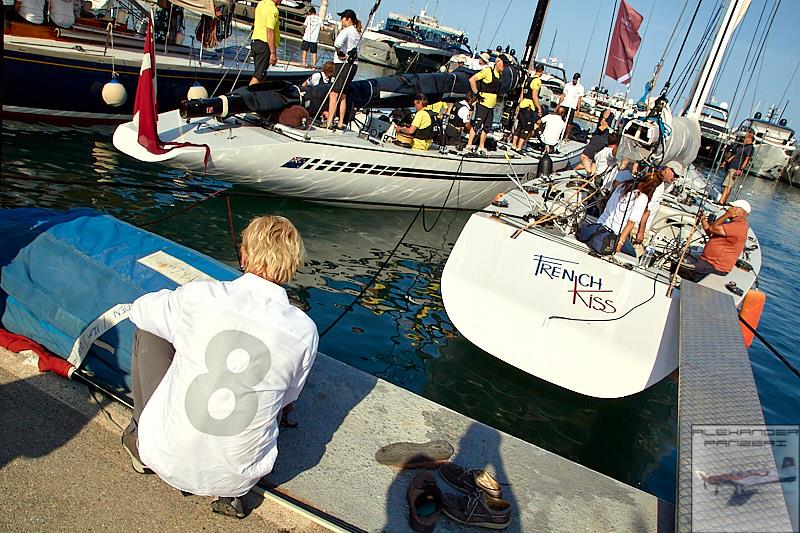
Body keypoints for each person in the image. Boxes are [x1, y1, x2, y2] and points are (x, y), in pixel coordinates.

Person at [121, 215, 318, 518]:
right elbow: (289, 396)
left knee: (150, 330)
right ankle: (231, 495)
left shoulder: (201, 296)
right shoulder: (304, 331)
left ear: (244, 255)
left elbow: (140, 311)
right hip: (240, 476)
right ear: (293, 266)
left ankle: (140, 441)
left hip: (165, 456)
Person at [579, 173, 660, 256]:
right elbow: (631, 223)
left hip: (600, 225)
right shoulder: (642, 198)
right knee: (632, 255)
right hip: (613, 234)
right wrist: (620, 243)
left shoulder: (622, 187)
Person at [688, 200, 751, 281]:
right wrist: (703, 219)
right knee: (684, 256)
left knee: (682, 266)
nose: (729, 209)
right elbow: (711, 233)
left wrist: (727, 215)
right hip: (707, 262)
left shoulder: (738, 227)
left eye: (733, 208)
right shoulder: (733, 224)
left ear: (741, 212)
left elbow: (713, 228)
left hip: (714, 266)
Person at [465, 54, 506, 155]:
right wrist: (476, 92)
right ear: (498, 62)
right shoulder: (488, 71)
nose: (504, 66)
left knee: (487, 126)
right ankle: (469, 144)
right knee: (477, 125)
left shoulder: (499, 74)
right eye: (503, 63)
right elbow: (472, 79)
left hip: (491, 105)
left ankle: (481, 146)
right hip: (483, 103)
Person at [633, 160, 682, 245]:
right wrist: (641, 232)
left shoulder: (655, 180)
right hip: (637, 228)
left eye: (678, 176)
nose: (675, 178)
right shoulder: (658, 186)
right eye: (675, 174)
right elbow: (646, 210)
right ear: (666, 169)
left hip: (636, 224)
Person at [326, 9, 360, 129]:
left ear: (348, 19)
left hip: (343, 65)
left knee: (333, 94)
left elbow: (337, 43)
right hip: (353, 66)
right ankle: (340, 123)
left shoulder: (347, 30)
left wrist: (339, 53)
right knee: (343, 95)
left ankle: (329, 122)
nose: (341, 20)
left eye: (342, 18)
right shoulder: (357, 32)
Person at [511, 63, 544, 150]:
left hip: (523, 104)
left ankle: (513, 145)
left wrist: (519, 104)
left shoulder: (528, 79)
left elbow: (522, 92)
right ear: (542, 72)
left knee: (519, 126)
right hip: (529, 106)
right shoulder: (537, 81)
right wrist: (539, 108)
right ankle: (519, 147)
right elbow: (534, 96)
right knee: (527, 127)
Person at [249, 0, 281, 86]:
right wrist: (273, 53)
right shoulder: (273, 9)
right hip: (264, 44)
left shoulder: (261, 4)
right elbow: (270, 31)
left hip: (255, 41)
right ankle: (248, 96)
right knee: (259, 76)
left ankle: (256, 95)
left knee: (261, 74)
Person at [720, 132, 754, 204]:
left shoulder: (749, 148)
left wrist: (740, 169)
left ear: (749, 138)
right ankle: (723, 200)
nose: (744, 139)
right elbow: (736, 154)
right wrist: (727, 161)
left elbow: (747, 159)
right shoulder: (743, 146)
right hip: (732, 165)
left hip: (736, 167)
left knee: (728, 185)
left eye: (745, 138)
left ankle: (722, 201)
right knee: (727, 184)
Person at [558, 72, 584, 140]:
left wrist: (578, 109)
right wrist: (558, 104)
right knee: (560, 118)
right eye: (574, 79)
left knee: (569, 122)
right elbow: (563, 95)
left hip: (572, 106)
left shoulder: (580, 88)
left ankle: (566, 136)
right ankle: (558, 133)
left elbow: (579, 99)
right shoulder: (568, 85)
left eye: (576, 79)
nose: (574, 80)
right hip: (565, 104)